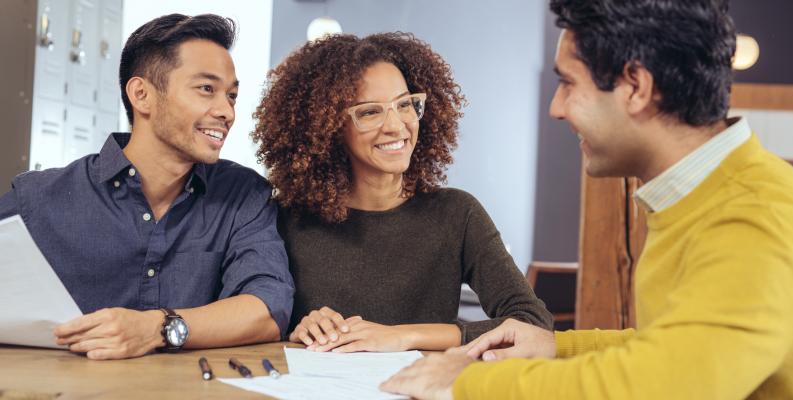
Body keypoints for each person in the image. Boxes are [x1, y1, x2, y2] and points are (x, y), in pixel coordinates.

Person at [381, 0, 793, 399]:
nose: (556, 108)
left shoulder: (751, 215)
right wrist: (555, 347)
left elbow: (662, 387)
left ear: (635, 86)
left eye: (567, 83)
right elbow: (685, 348)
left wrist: (467, 382)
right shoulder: (712, 194)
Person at [0, 14, 294, 360]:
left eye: (231, 96)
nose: (226, 112)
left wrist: (157, 328)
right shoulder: (38, 198)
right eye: (206, 89)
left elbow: (268, 308)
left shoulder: (243, 194)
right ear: (142, 95)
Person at [251, 32, 553, 353]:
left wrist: (402, 336)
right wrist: (296, 328)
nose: (396, 126)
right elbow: (257, 321)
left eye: (405, 104)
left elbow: (532, 323)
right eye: (369, 112)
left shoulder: (457, 214)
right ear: (326, 127)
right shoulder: (286, 220)